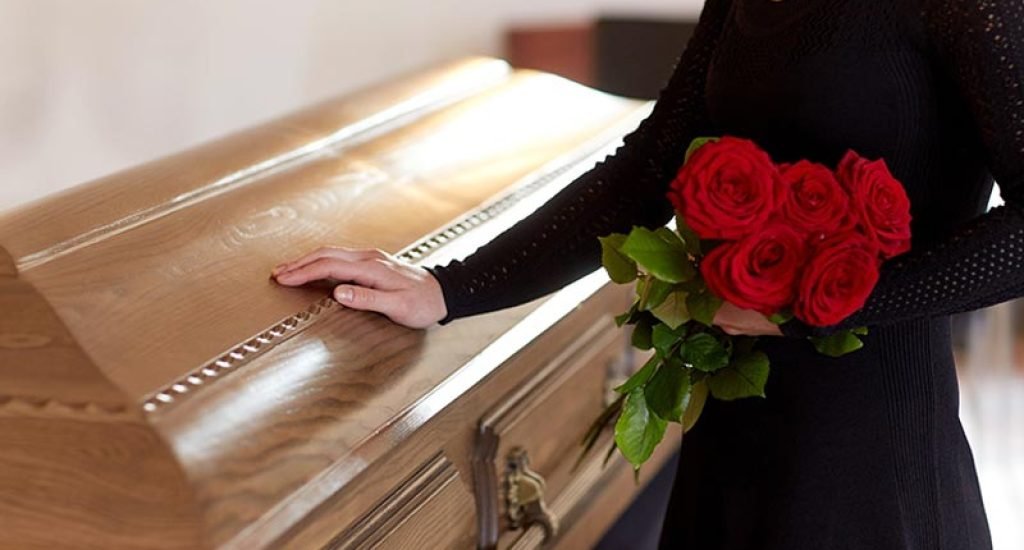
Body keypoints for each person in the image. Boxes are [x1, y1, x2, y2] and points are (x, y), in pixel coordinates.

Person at [273, 0, 1023, 547]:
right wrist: (446, 288)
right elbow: (649, 165)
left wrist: (815, 307)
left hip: (873, 458)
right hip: (731, 433)